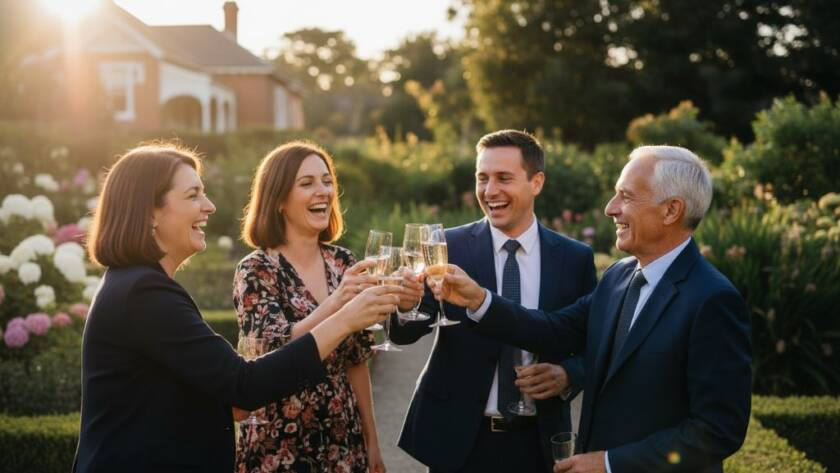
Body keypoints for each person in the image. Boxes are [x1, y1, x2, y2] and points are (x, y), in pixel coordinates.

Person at [73, 144, 399, 473]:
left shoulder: (137, 286)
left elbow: (196, 386)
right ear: (149, 213)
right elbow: (244, 385)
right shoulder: (144, 293)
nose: (210, 206)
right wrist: (343, 319)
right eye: (193, 195)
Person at [434, 146, 752, 473]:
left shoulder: (712, 300)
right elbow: (553, 329)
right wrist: (479, 300)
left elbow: (718, 430)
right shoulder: (619, 276)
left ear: (671, 210)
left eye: (625, 197)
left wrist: (610, 463)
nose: (609, 208)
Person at [389, 130, 597, 473]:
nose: (489, 191)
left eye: (504, 178)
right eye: (482, 178)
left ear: (537, 182)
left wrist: (568, 374)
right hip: (459, 440)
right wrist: (406, 305)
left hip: (539, 442)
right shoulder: (447, 246)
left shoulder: (574, 259)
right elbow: (406, 333)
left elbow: (593, 342)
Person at [234, 141, 409, 472]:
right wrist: (337, 303)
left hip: (343, 439)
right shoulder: (255, 270)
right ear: (279, 199)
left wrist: (371, 441)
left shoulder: (342, 262)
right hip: (278, 441)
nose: (324, 191)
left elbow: (357, 360)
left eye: (327, 181)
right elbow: (271, 349)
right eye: (307, 183)